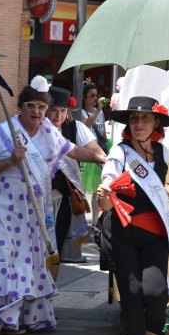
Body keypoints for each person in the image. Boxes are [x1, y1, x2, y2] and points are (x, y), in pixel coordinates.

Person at [0, 76, 106, 335]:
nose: (36, 112)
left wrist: (102, 159)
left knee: (25, 262)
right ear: (21, 107)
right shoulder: (2, 132)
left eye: (41, 107)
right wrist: (9, 162)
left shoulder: (50, 133)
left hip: (33, 209)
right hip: (4, 205)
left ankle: (18, 318)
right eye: (30, 106)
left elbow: (73, 151)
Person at [96, 96, 169, 335]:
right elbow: (107, 190)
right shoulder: (120, 153)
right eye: (134, 118)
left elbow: (156, 188)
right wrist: (103, 194)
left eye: (145, 118)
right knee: (131, 293)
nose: (139, 123)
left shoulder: (163, 152)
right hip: (123, 232)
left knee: (155, 294)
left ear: (156, 123)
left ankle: (152, 334)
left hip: (154, 233)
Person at [46, 86, 105, 264]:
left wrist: (106, 163)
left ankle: (55, 264)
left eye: (63, 111)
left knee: (61, 228)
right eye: (54, 111)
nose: (58, 116)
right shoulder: (38, 128)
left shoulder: (74, 127)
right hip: (42, 190)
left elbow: (95, 149)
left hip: (65, 190)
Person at [81, 81, 108, 228]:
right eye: (91, 96)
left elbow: (103, 133)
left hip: (99, 149)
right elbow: (85, 125)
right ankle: (86, 219)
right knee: (86, 189)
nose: (93, 98)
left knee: (99, 187)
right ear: (84, 97)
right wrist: (97, 110)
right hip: (87, 152)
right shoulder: (81, 112)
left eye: (95, 96)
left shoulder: (101, 113)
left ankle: (96, 221)